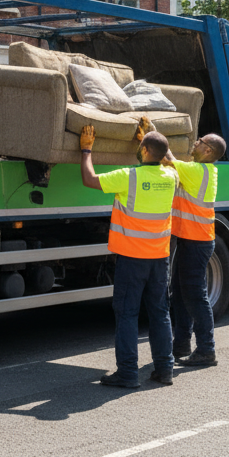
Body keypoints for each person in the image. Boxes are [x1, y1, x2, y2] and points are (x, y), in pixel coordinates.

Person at [80, 122, 178, 388]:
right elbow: (167, 158)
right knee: (160, 313)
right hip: (159, 258)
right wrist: (151, 137)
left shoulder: (129, 176)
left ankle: (127, 373)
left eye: (141, 146)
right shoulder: (172, 177)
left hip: (133, 258)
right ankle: (164, 370)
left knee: (127, 313)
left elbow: (89, 179)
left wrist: (86, 149)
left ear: (144, 150)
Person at [169, 134, 226, 368]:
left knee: (195, 296)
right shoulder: (199, 170)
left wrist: (149, 134)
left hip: (197, 241)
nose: (195, 142)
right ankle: (181, 344)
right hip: (189, 239)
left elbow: (166, 158)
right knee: (180, 293)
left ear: (208, 151)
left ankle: (206, 350)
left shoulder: (197, 171)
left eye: (200, 141)